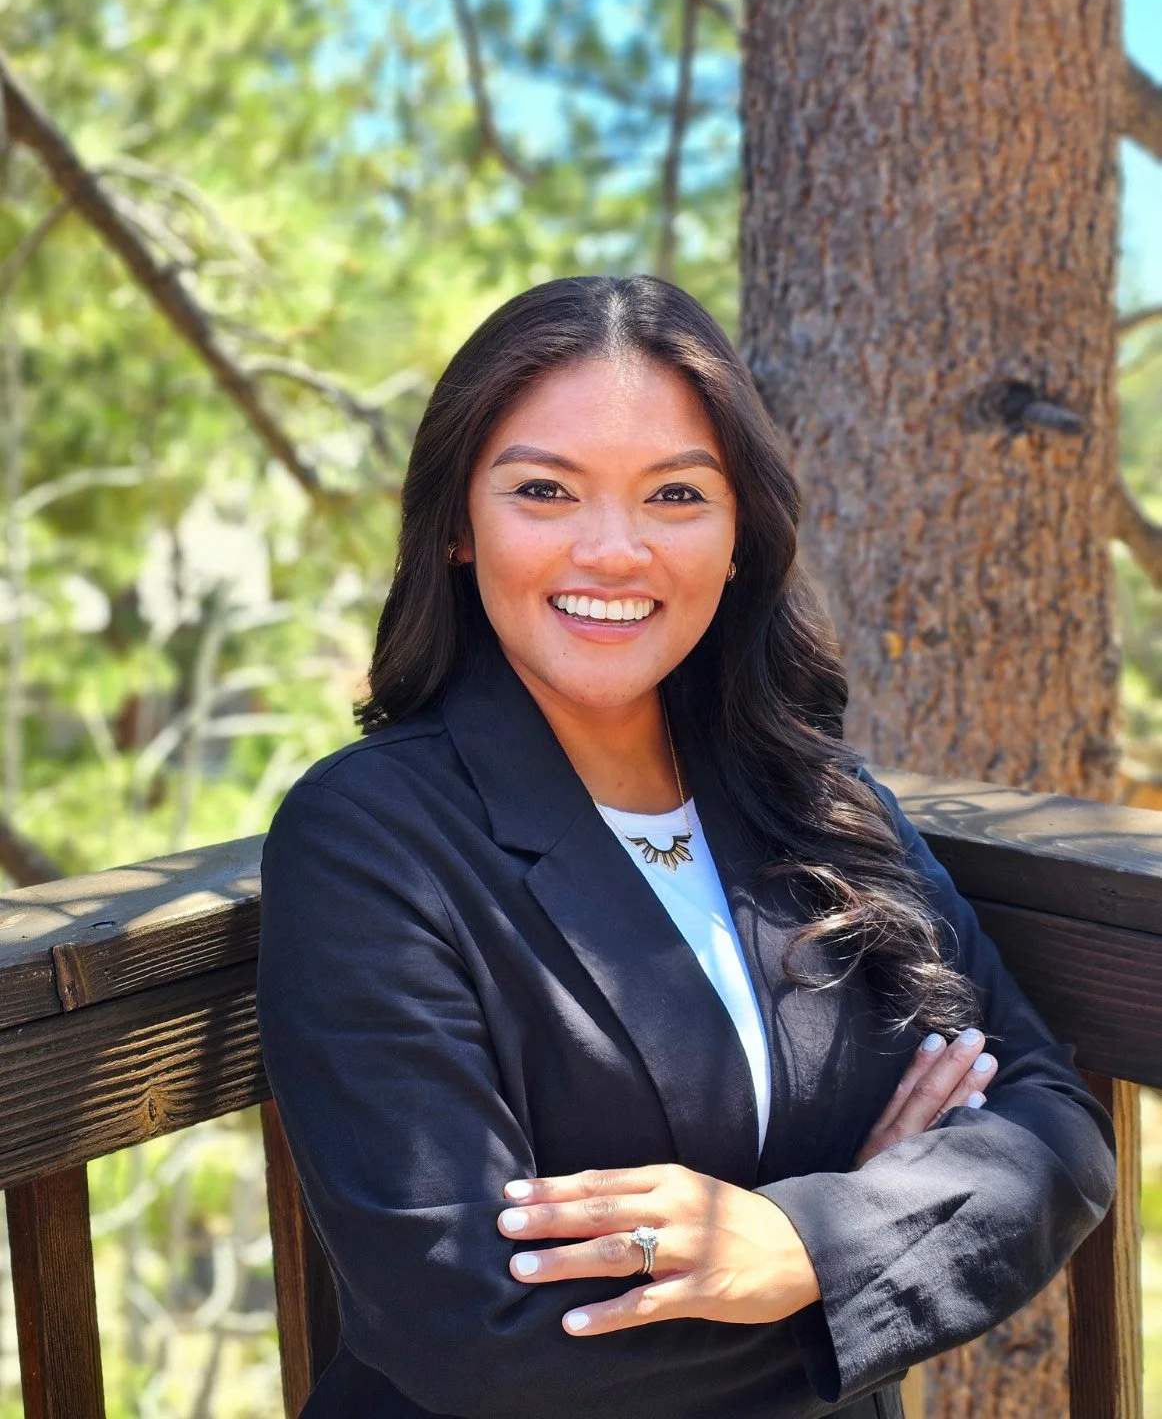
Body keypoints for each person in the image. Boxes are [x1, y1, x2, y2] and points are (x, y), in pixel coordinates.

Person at [256, 274, 1115, 1419]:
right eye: (545, 491)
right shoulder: (368, 837)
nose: (612, 552)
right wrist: (866, 1244)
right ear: (459, 526)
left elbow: (1050, 1125)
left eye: (673, 494)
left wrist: (797, 1246)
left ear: (737, 533)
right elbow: (469, 1327)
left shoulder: (810, 795)